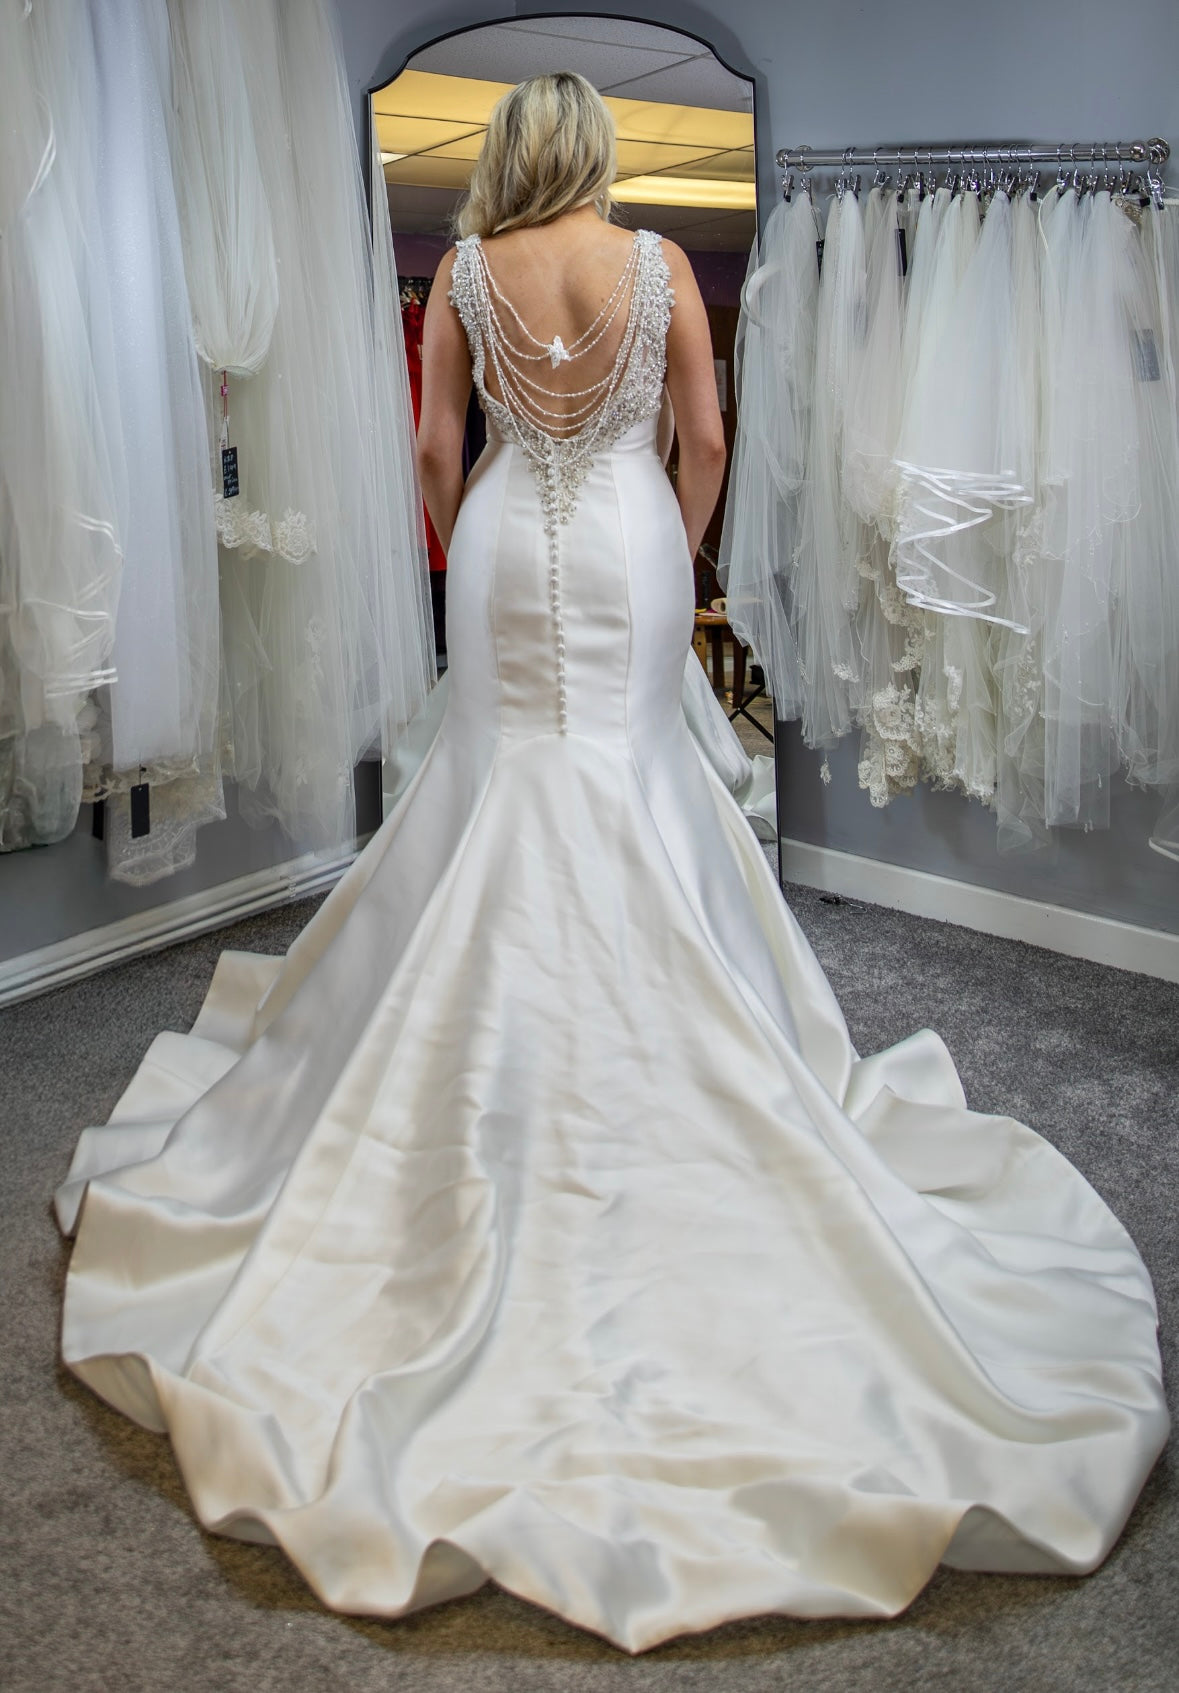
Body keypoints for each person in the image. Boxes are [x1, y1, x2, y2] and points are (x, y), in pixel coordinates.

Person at [55, 72, 1167, 1655]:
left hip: (509, 546)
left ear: (512, 153)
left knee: (501, 784)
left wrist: (487, 526)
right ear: (600, 150)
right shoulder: (654, 272)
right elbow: (704, 436)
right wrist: (668, 525)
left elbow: (439, 455)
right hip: (637, 539)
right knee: (641, 785)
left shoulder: (459, 274)